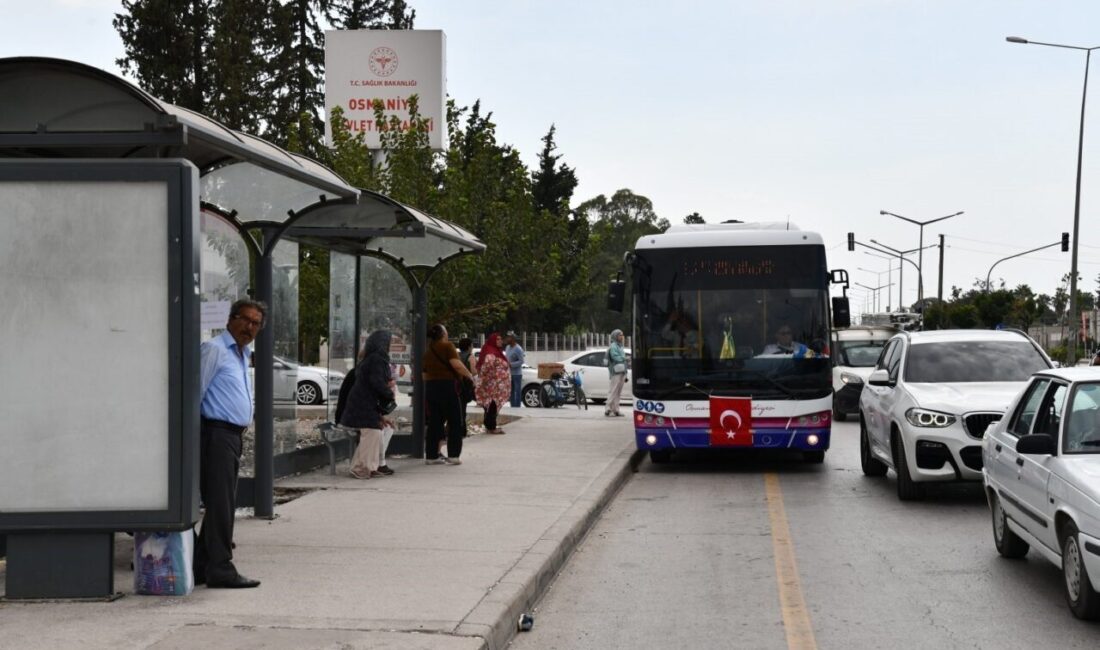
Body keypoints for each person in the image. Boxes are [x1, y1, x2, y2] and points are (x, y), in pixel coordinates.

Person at [194, 298, 265, 589]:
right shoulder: (214, 349)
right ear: (231, 319)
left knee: (221, 503)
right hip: (216, 434)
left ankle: (200, 566)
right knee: (221, 504)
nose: (249, 327)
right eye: (245, 320)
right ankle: (221, 568)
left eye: (255, 324)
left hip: (232, 436)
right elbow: (194, 393)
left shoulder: (242, 354)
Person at [340, 330, 397, 479]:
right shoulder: (377, 359)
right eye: (388, 343)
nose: (389, 346)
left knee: (375, 432)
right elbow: (377, 382)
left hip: (363, 404)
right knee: (372, 432)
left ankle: (366, 466)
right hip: (362, 405)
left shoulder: (371, 359)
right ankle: (361, 467)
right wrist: (389, 393)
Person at [423, 323, 474, 464]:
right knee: (455, 421)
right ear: (442, 334)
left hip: (432, 387)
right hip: (448, 386)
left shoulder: (427, 351)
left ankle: (431, 456)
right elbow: (456, 364)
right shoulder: (447, 346)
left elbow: (423, 374)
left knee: (435, 421)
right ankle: (453, 455)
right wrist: (469, 375)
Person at [475, 332, 511, 433]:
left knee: (491, 406)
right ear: (493, 341)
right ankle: (491, 427)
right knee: (492, 406)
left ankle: (490, 426)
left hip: (495, 386)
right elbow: (487, 367)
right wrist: (492, 379)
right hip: (493, 386)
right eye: (498, 339)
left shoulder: (496, 351)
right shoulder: (491, 352)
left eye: (501, 339)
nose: (500, 341)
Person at [606, 329, 628, 417]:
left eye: (622, 335)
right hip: (616, 371)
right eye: (620, 335)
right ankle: (608, 409)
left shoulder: (620, 346)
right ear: (615, 336)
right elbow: (615, 357)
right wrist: (624, 358)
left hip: (622, 371)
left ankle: (616, 410)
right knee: (613, 391)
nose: (622, 337)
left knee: (618, 392)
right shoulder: (613, 346)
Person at [504, 331, 525, 407]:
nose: (507, 339)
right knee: (511, 391)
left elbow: (521, 361)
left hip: (517, 374)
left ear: (513, 339)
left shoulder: (518, 349)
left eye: (508, 337)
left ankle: (517, 407)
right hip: (509, 373)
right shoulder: (507, 347)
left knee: (517, 391)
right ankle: (512, 406)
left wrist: (511, 365)